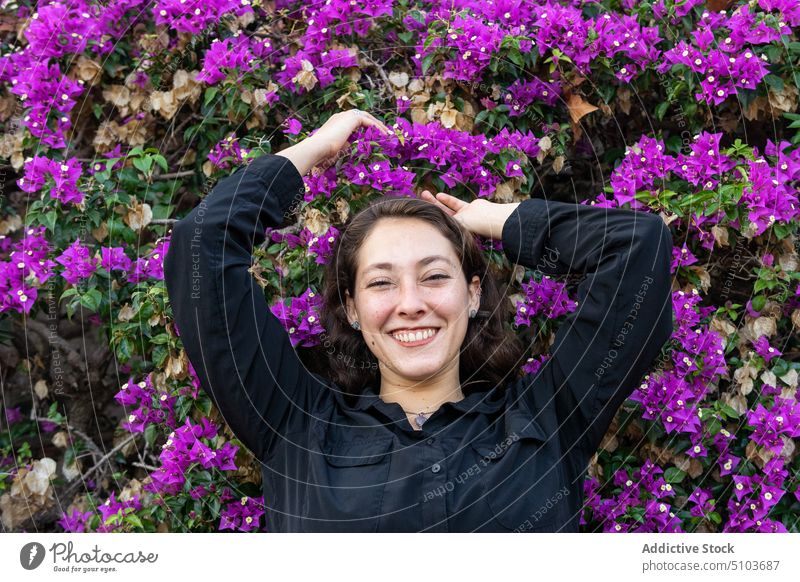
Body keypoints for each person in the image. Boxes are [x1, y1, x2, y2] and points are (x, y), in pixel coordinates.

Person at [163, 109, 674, 532]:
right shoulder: (294, 425)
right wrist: (314, 150)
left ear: (472, 294)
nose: (411, 303)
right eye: (381, 282)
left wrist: (491, 220)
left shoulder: (552, 416)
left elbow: (638, 251)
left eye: (433, 276)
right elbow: (201, 243)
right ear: (353, 309)